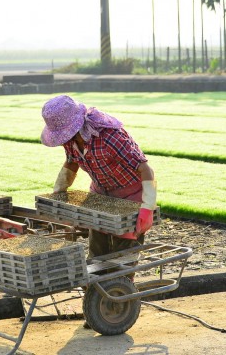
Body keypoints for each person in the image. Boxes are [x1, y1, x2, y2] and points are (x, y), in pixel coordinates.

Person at [40, 94, 157, 258]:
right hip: (100, 193)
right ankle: (97, 283)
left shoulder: (110, 138)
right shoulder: (71, 141)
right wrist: (58, 192)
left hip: (130, 196)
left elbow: (146, 170)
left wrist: (147, 208)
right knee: (97, 248)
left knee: (123, 254)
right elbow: (72, 162)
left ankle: (121, 283)